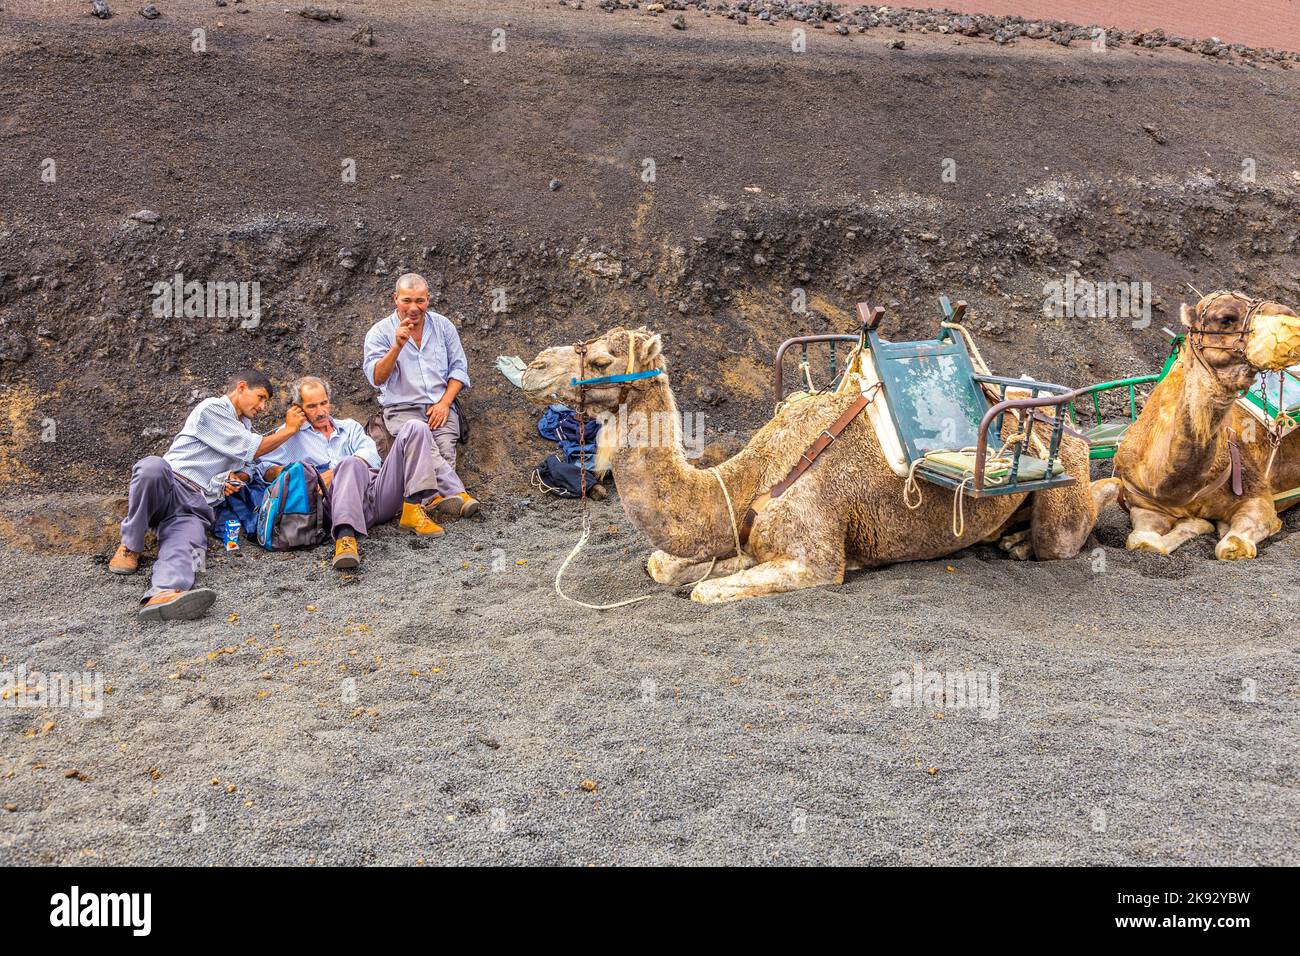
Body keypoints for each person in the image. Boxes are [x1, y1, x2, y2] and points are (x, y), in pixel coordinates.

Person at [109, 371, 305, 621]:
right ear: (241, 387)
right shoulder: (212, 409)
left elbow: (249, 465)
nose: (262, 407)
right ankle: (130, 546)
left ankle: (164, 594)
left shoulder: (244, 427)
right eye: (260, 397)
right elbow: (251, 449)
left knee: (189, 545)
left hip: (195, 505)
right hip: (170, 483)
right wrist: (289, 430)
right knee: (152, 467)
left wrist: (237, 478)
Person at [257, 376, 445, 570]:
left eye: (324, 403)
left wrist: (334, 472)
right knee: (349, 463)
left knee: (417, 427)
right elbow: (264, 468)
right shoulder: (290, 434)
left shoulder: (349, 427)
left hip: (375, 495)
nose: (321, 412)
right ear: (298, 407)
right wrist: (303, 475)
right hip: (335, 506)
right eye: (312, 406)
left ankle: (413, 509)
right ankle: (345, 537)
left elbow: (372, 456)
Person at [363, 273, 480, 521]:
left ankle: (431, 501)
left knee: (445, 448)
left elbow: (459, 368)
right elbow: (377, 378)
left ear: (428, 299)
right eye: (406, 300)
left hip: (441, 405)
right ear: (395, 298)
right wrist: (397, 346)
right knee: (428, 449)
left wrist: (445, 403)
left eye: (420, 301)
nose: (413, 308)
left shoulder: (443, 326)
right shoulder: (380, 333)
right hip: (402, 408)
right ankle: (458, 494)